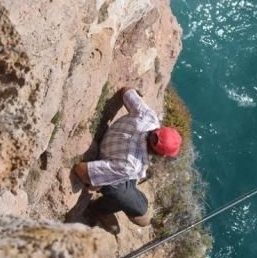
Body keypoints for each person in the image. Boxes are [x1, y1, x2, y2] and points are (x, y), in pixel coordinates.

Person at [72, 86, 182, 234]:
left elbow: (126, 91)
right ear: (162, 156)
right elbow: (81, 169)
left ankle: (116, 202)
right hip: (112, 164)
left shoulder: (149, 117)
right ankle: (100, 209)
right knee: (141, 209)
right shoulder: (131, 166)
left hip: (112, 144)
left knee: (133, 191)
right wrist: (94, 185)